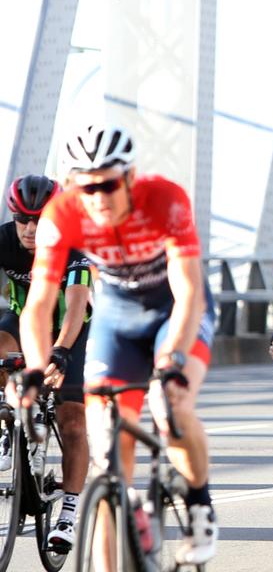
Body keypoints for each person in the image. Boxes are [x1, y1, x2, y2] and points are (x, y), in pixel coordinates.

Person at [22, 123, 219, 565]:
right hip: (118, 320)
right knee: (108, 460)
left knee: (172, 408)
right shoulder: (62, 216)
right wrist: (36, 368)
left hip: (176, 311)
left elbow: (188, 290)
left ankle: (200, 506)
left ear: (129, 177)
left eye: (109, 185)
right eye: (85, 187)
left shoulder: (164, 199)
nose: (98, 198)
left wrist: (171, 361)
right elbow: (38, 305)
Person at [1, 175, 92, 553]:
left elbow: (74, 305)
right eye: (22, 218)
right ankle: (9, 420)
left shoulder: (74, 244)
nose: (30, 228)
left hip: (72, 330)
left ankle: (69, 510)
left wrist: (61, 351)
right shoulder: (5, 240)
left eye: (39, 219)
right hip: (26, 321)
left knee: (72, 420)